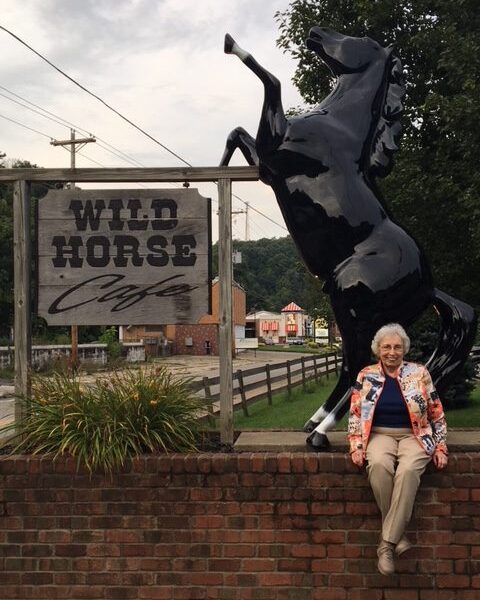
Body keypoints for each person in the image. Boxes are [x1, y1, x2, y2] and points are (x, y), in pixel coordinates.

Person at [348, 323, 448, 576]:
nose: (392, 352)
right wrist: (356, 447)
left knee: (408, 471)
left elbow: (436, 412)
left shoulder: (419, 372)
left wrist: (441, 447)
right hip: (379, 433)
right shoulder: (366, 375)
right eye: (386, 347)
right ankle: (398, 536)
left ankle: (387, 544)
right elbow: (355, 416)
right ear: (377, 350)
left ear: (404, 349)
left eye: (397, 347)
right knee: (379, 465)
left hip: (415, 435)